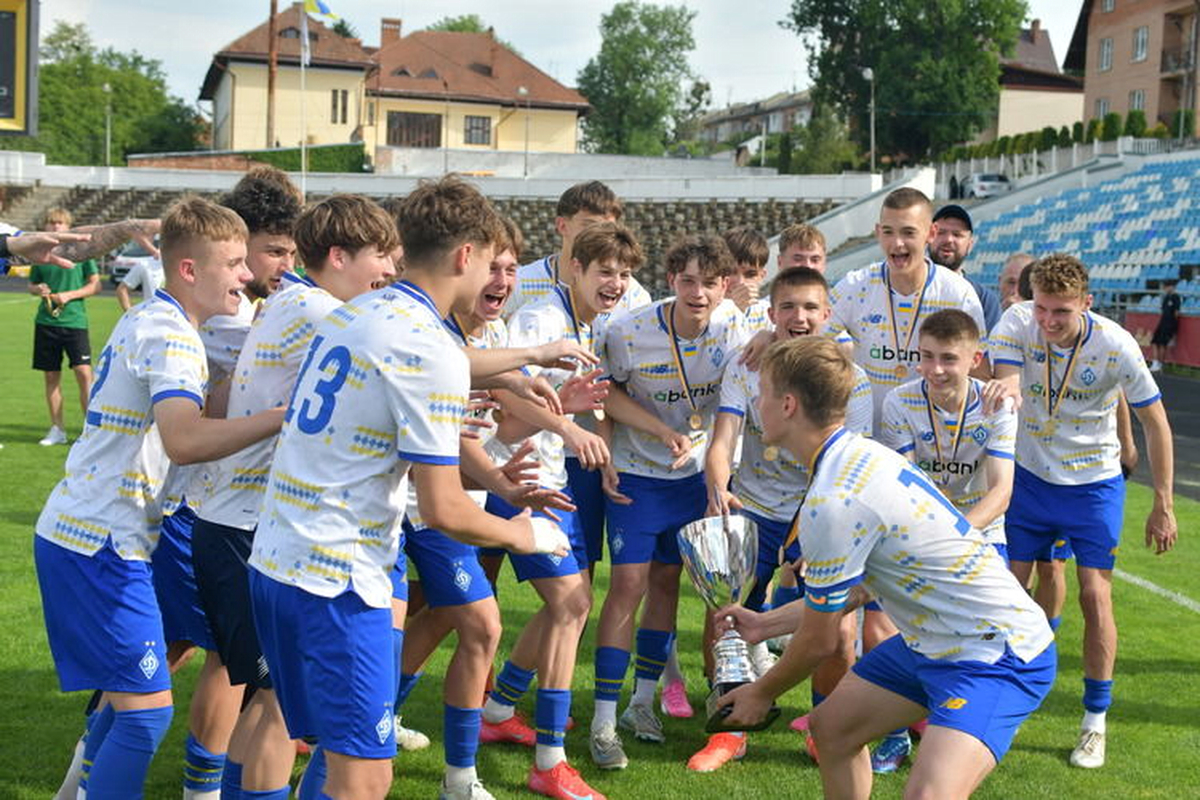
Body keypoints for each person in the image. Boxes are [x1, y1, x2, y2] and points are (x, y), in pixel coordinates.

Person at [246, 176, 570, 800]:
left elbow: (426, 363)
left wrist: (514, 371)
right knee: (365, 777)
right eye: (490, 261)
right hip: (338, 579)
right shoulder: (429, 346)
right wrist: (524, 534)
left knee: (319, 746)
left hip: (278, 560)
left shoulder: (358, 309)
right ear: (465, 255)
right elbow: (444, 507)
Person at [715, 336, 1057, 800]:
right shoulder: (861, 455)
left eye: (763, 393)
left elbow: (819, 640)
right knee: (832, 730)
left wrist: (761, 692)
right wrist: (765, 624)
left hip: (997, 653)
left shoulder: (835, 499)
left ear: (789, 404)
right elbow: (857, 591)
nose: (758, 404)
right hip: (931, 642)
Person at [34, 196, 285, 799]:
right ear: (190, 270)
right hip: (100, 543)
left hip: (93, 534)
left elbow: (197, 415)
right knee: (146, 713)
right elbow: (185, 440)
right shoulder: (172, 337)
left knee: (131, 702)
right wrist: (284, 415)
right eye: (234, 263)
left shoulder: (154, 318)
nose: (247, 274)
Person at [190, 194, 400, 800]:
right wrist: (530, 359)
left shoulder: (294, 300)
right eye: (379, 256)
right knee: (275, 702)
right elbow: (414, 353)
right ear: (338, 256)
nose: (389, 271)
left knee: (268, 695)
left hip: (244, 520)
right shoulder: (319, 309)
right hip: (247, 523)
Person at [986, 253, 1176, 769]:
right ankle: (997, 700)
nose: (1048, 322)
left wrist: (1163, 502)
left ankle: (1095, 722)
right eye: (1042, 308)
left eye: (1061, 312)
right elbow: (1008, 379)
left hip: (1093, 484)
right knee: (1008, 592)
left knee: (1095, 595)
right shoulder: (1017, 322)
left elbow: (1157, 423)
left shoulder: (1116, 344)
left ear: (1086, 304)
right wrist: (1007, 384)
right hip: (1029, 478)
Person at [476, 221, 641, 800]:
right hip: (511, 477)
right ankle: (549, 758)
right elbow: (504, 402)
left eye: (624, 274)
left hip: (548, 477)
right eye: (605, 271)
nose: (615, 283)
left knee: (569, 603)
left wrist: (593, 442)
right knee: (569, 603)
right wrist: (568, 426)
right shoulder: (542, 320)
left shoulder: (587, 324)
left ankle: (499, 708)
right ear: (575, 268)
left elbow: (578, 403)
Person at [693, 266, 872, 772]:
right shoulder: (746, 364)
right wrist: (719, 491)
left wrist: (814, 535)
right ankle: (729, 728)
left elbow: (848, 466)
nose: (799, 317)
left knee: (838, 630)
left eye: (810, 307)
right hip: (753, 506)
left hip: (818, 512)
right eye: (788, 306)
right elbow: (723, 440)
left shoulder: (851, 379)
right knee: (724, 615)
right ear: (770, 313)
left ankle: (824, 728)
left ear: (827, 314)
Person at [589, 234, 746, 768]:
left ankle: (641, 703)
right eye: (688, 281)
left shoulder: (733, 326)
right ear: (671, 281)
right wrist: (624, 446)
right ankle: (603, 720)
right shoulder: (628, 330)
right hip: (637, 474)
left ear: (725, 286)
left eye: (709, 283)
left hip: (694, 476)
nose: (698, 293)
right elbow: (605, 393)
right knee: (627, 585)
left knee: (666, 584)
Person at [829, 189, 986, 427]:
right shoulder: (854, 286)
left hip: (933, 442)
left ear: (931, 233)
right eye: (888, 232)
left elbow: (979, 372)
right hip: (867, 438)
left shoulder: (958, 294)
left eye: (908, 232)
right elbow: (809, 340)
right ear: (877, 232)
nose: (897, 243)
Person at [881, 309, 1016, 559]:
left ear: (975, 359)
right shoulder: (899, 402)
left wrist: (955, 536)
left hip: (980, 530)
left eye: (949, 359)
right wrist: (935, 537)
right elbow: (905, 483)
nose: (936, 369)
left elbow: (1001, 491)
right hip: (920, 528)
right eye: (927, 356)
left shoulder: (997, 406)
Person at [505, 180, 651, 319]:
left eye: (608, 227)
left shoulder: (633, 297)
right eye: (590, 226)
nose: (600, 235)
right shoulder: (520, 283)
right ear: (562, 226)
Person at [27, 207, 101, 446]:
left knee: (84, 374)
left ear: (68, 226)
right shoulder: (40, 253)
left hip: (75, 322)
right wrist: (38, 289)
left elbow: (95, 285)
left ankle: (90, 431)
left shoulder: (81, 253)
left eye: (60, 223)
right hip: (46, 322)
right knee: (51, 376)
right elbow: (32, 284)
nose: (56, 226)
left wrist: (69, 295)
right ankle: (57, 429)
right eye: (51, 223)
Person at [929, 205, 1002, 331]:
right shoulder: (908, 289)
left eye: (957, 235)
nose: (948, 240)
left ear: (970, 245)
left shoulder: (984, 299)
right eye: (941, 233)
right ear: (929, 237)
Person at [1149, 280, 1181, 372]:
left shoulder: (1176, 297)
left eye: (1167, 287)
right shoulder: (1166, 297)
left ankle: (1160, 364)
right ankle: (1155, 362)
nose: (1165, 289)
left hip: (1170, 324)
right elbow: (1163, 310)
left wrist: (1174, 326)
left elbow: (1176, 312)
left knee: (1163, 344)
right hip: (1162, 322)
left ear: (1172, 287)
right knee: (1154, 341)